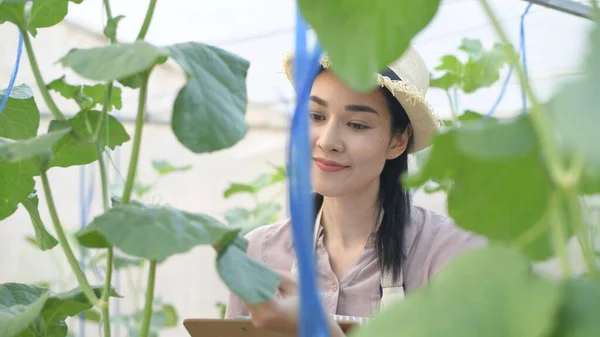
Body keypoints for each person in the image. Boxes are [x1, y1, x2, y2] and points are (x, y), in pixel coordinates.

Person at [224, 46, 485, 336]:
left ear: (398, 141)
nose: (328, 141)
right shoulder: (259, 253)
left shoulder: (451, 255)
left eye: (357, 124)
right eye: (316, 116)